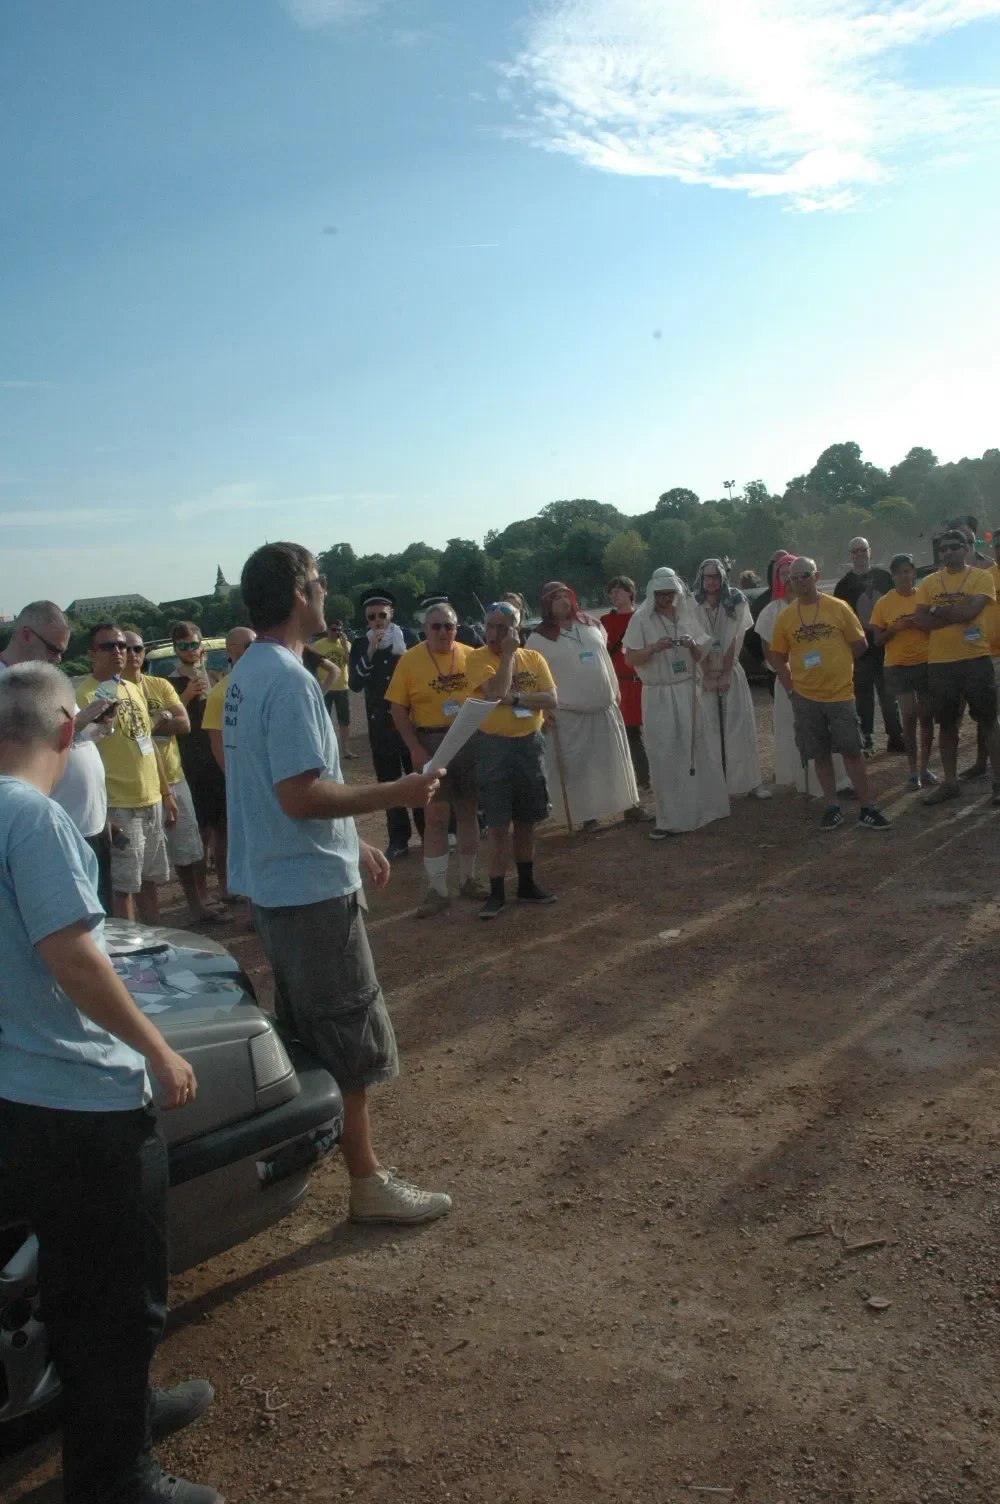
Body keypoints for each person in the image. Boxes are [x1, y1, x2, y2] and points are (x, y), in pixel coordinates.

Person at [0, 662, 219, 1504]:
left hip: (19, 1096)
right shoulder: (35, 819)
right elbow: (74, 958)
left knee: (73, 1283)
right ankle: (114, 1476)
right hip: (81, 1100)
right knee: (121, 1299)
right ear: (67, 730)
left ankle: (125, 1409)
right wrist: (158, 1050)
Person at [223, 542, 451, 1223]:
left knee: (309, 1030)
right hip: (308, 893)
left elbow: (281, 791)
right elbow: (299, 795)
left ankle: (319, 1160)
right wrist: (398, 793)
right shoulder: (288, 681)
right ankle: (367, 1184)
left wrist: (353, 843)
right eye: (319, 582)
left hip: (280, 884)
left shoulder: (248, 672)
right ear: (298, 592)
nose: (326, 593)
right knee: (348, 1040)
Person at [0, 601, 114, 907]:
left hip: (89, 825)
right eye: (53, 648)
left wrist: (97, 726)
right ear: (25, 635)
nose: (59, 657)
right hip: (47, 832)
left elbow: (74, 739)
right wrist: (80, 722)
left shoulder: (49, 680)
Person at [766, 558, 891, 831]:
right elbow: (776, 654)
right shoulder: (786, 616)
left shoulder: (838, 607)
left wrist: (838, 665)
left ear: (817, 576)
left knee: (852, 751)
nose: (800, 582)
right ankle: (832, 806)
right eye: (794, 578)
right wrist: (790, 688)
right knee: (820, 753)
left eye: (805, 575)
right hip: (807, 697)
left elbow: (859, 644)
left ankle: (866, 807)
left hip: (839, 694)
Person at [385, 600, 488, 916]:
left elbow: (488, 695)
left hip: (468, 738)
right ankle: (437, 889)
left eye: (449, 625)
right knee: (435, 817)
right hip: (429, 742)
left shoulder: (471, 655)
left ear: (457, 628)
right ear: (425, 629)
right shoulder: (410, 660)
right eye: (436, 626)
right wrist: (414, 748)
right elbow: (397, 709)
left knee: (469, 811)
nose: (443, 631)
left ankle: (469, 879)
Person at [121, 631, 226, 925]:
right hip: (139, 783)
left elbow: (184, 723)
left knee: (190, 849)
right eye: (125, 648)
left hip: (175, 775)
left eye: (137, 648)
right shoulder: (114, 691)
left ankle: (198, 906)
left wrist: (151, 722)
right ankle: (151, 927)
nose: (132, 654)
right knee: (141, 864)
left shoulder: (159, 684)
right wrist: (161, 720)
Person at [464, 600, 558, 918]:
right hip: (495, 747)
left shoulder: (534, 658)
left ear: (516, 629)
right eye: (489, 626)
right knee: (498, 824)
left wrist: (516, 699)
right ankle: (497, 892)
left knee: (527, 821)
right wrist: (506, 656)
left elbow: (551, 698)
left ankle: (528, 885)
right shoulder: (477, 658)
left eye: (502, 628)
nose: (493, 633)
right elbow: (494, 691)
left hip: (530, 745)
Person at [525, 581, 643, 831]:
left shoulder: (593, 625)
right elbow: (531, 679)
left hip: (605, 706)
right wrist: (543, 710)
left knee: (615, 762)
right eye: (556, 598)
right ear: (547, 604)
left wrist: (615, 690)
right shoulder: (538, 639)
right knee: (579, 769)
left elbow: (606, 659)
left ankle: (630, 805)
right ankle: (587, 816)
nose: (563, 601)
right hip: (568, 714)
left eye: (566, 596)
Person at [622, 567, 730, 838]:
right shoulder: (640, 620)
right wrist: (654, 648)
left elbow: (701, 652)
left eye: (671, 593)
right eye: (661, 595)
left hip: (686, 689)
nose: (666, 599)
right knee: (665, 752)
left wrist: (692, 645)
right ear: (653, 594)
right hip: (659, 693)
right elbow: (630, 658)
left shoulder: (685, 615)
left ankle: (705, 808)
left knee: (697, 747)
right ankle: (671, 817)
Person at [78, 623, 171, 922]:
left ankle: (156, 940)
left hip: (150, 796)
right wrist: (103, 813)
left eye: (123, 646)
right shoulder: (84, 695)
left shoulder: (131, 687)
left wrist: (166, 793)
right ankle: (131, 950)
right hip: (119, 804)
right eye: (108, 646)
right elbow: (84, 753)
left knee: (150, 879)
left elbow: (146, 740)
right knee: (123, 887)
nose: (119, 651)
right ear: (92, 653)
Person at [913, 529, 1000, 806]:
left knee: (988, 722)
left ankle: (998, 783)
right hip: (941, 663)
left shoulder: (981, 577)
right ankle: (950, 784)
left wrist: (937, 611)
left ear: (967, 548)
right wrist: (954, 614)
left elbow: (971, 612)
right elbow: (921, 621)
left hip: (975, 659)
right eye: (944, 548)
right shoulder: (928, 582)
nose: (948, 551)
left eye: (954, 546)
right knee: (947, 724)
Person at [756, 553, 853, 798]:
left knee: (832, 732)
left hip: (824, 680)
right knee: (798, 733)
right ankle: (804, 782)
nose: (791, 578)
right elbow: (771, 654)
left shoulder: (823, 605)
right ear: (779, 577)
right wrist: (791, 684)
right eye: (785, 573)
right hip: (791, 681)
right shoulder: (771, 612)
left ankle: (840, 781)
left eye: (796, 572)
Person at [348, 588, 421, 860]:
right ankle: (398, 839)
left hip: (411, 720)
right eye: (371, 617)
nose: (377, 621)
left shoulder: (410, 639)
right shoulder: (359, 644)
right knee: (389, 783)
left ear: (391, 614)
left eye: (382, 615)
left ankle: (429, 833)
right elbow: (355, 683)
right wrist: (370, 651)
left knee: (418, 776)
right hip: (380, 724)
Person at [691, 558, 770, 800]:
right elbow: (692, 639)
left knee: (739, 728)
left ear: (723, 578)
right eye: (707, 577)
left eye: (715, 577)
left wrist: (725, 674)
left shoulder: (735, 600)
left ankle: (749, 782)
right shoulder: (692, 603)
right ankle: (716, 786)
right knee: (710, 731)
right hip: (704, 672)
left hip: (730, 671)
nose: (711, 582)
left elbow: (735, 638)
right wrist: (706, 675)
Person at [167, 622, 231, 902]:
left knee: (224, 827)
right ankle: (202, 895)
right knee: (199, 832)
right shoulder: (170, 682)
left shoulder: (215, 675)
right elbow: (166, 719)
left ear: (201, 645)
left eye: (194, 644)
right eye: (183, 646)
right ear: (176, 649)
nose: (190, 651)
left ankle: (227, 888)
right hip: (189, 762)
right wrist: (186, 695)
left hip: (217, 757)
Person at [869, 554, 937, 789]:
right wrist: (895, 628)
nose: (903, 576)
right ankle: (912, 771)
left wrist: (921, 623)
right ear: (893, 576)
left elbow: (938, 627)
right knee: (909, 716)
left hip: (926, 662)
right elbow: (877, 640)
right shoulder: (885, 603)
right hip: (897, 665)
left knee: (927, 716)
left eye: (907, 571)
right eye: (898, 572)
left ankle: (925, 767)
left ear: (914, 573)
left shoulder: (924, 597)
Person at [833, 537, 905, 756]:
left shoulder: (885, 578)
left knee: (889, 696)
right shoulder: (843, 586)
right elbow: (839, 620)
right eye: (855, 551)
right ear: (850, 555)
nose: (859, 554)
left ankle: (896, 737)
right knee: (862, 698)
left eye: (862, 550)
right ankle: (867, 739)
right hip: (860, 650)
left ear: (869, 551)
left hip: (887, 646)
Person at [956, 528, 1000, 783]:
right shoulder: (987, 577)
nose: (999, 549)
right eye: (997, 544)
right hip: (987, 654)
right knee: (987, 715)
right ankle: (983, 764)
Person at [602, 575, 650, 795]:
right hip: (620, 685)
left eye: (618, 590)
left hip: (643, 681)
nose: (614, 595)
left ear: (630, 592)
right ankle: (642, 778)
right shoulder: (603, 622)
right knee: (630, 734)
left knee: (654, 729)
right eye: (612, 592)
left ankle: (654, 774)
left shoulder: (644, 618)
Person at [203, 624, 256, 770]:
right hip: (247, 771)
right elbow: (217, 741)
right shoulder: (219, 693)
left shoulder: (271, 679)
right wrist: (232, 776)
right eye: (252, 644)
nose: (258, 649)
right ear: (233, 649)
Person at [310, 617, 357, 759]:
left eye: (339, 630)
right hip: (325, 688)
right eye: (333, 629)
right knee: (323, 719)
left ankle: (346, 750)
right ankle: (323, 751)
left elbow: (352, 663)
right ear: (327, 630)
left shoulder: (346, 644)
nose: (336, 632)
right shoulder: (318, 645)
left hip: (342, 687)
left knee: (344, 720)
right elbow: (310, 664)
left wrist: (344, 645)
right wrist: (316, 680)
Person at [418, 592, 485, 647]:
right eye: (436, 627)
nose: (442, 631)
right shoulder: (419, 640)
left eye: (448, 626)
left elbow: (484, 655)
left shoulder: (466, 634)